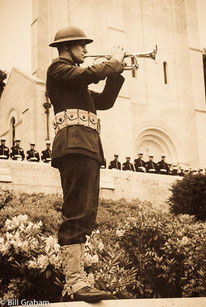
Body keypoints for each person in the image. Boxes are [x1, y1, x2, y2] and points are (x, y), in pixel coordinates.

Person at [47, 26, 125, 302]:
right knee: (76, 212)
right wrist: (111, 62)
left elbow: (104, 101)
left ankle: (79, 280)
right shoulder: (58, 70)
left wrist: (117, 72)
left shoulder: (76, 84)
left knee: (86, 213)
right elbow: (88, 73)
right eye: (82, 46)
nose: (86, 50)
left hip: (88, 148)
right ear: (67, 48)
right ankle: (75, 282)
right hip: (73, 146)